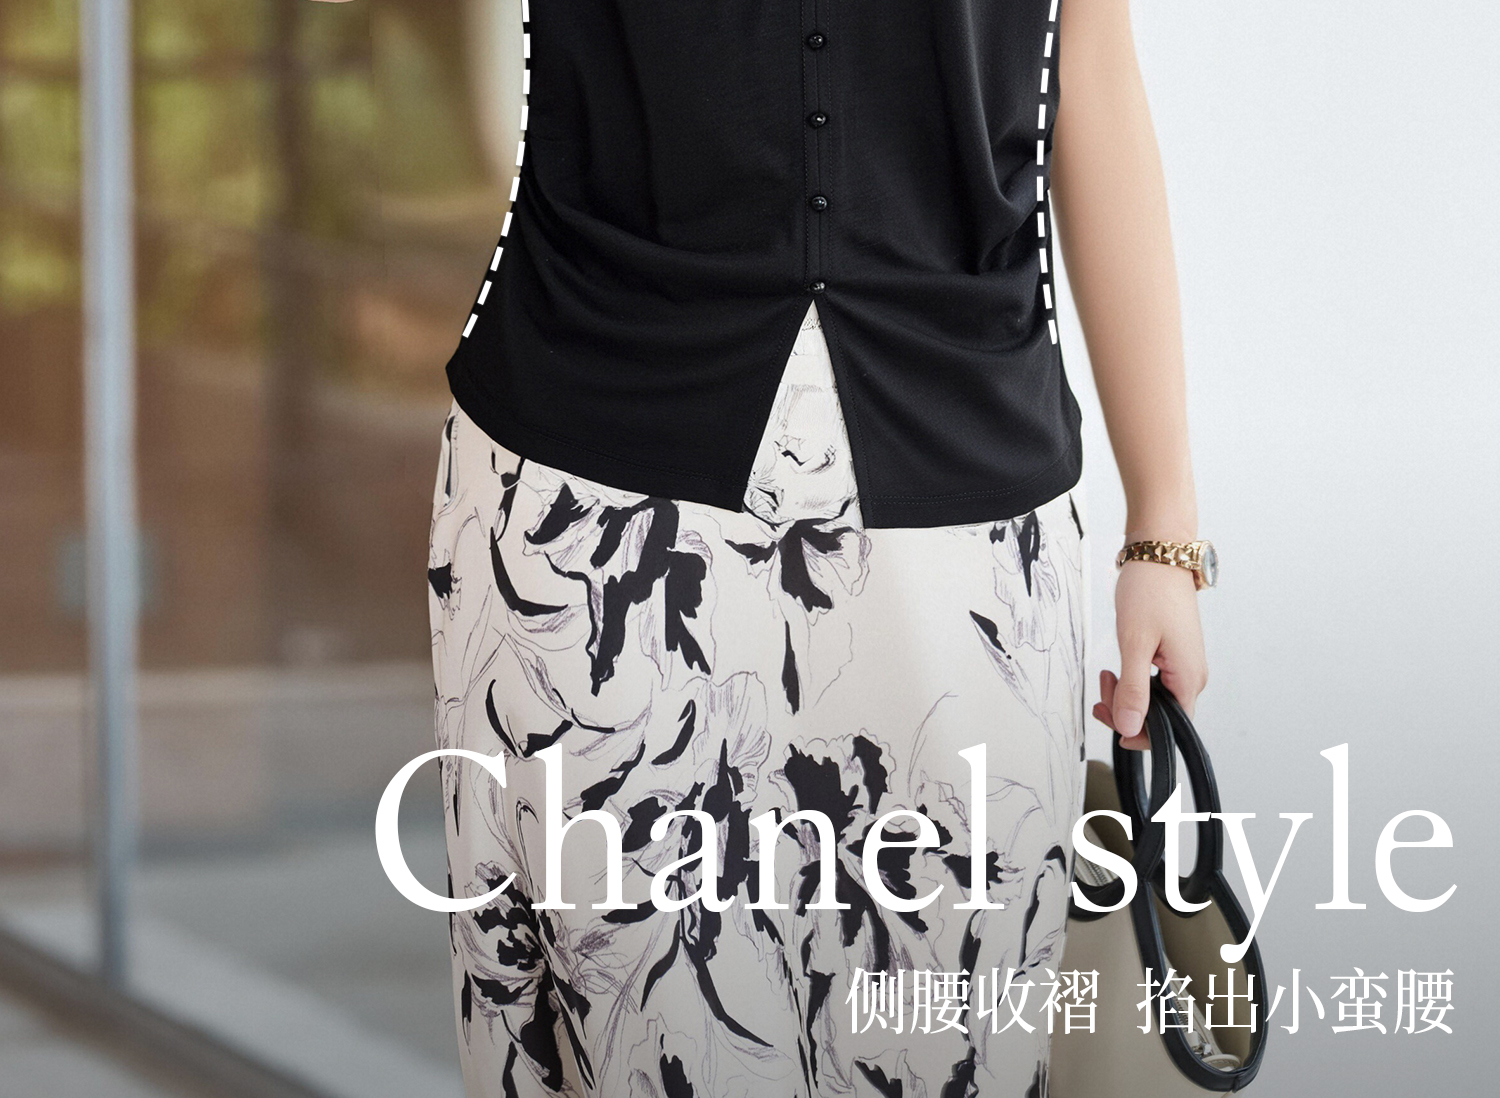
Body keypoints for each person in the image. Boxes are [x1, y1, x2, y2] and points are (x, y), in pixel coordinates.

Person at [323, 0, 1213, 1093]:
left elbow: (1089, 61)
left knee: (947, 1047)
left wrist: (1163, 528)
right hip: (594, 513)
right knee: (634, 1046)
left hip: (968, 526)